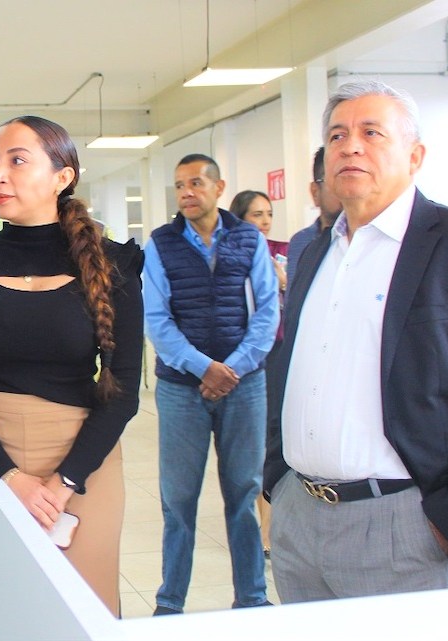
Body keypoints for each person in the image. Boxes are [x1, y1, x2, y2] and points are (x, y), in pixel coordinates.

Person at [263, 79, 448, 603]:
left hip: (408, 527)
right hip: (301, 518)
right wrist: (276, 479)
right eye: (337, 135)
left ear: (415, 156)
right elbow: (293, 369)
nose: (350, 146)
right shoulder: (316, 254)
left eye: (372, 133)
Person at [0, 115, 144, 641]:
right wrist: (9, 476)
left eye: (17, 160)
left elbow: (122, 391)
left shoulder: (111, 262)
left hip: (84, 461)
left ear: (62, 176)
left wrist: (63, 481)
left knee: (81, 615)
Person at [143, 153, 279, 614]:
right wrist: (204, 368)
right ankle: (170, 602)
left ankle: (252, 597)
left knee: (243, 493)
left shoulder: (248, 239)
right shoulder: (161, 244)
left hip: (245, 387)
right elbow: (157, 320)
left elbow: (267, 313)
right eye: (180, 185)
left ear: (219, 189)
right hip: (181, 390)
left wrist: (232, 369)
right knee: (178, 499)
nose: (186, 192)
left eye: (196, 183)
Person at [227, 189, 288, 559]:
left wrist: (284, 282)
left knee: (274, 441)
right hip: (247, 358)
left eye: (268, 214)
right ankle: (257, 529)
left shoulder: (285, 250)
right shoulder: (229, 255)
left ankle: (270, 527)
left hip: (281, 353)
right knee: (255, 445)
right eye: (256, 215)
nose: (265, 222)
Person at [285, 146, 343, 287]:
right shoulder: (301, 242)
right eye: (337, 180)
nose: (346, 190)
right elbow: (294, 297)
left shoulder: (368, 240)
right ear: (315, 192)